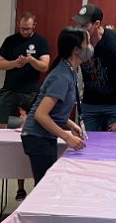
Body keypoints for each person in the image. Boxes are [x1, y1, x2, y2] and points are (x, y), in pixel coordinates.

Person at [20, 27, 88, 185]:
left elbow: (53, 111)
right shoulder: (61, 77)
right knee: (45, 186)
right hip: (37, 137)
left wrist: (69, 124)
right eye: (87, 43)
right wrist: (67, 137)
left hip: (44, 136)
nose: (89, 47)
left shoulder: (70, 70)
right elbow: (41, 114)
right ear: (76, 50)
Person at [0, 13, 51, 200]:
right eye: (22, 28)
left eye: (28, 28)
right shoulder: (10, 41)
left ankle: (24, 185)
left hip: (31, 92)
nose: (25, 31)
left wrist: (30, 60)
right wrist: (16, 63)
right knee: (1, 128)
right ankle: (2, 169)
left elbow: (44, 66)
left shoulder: (41, 42)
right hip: (10, 90)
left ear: (34, 25)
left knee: (28, 131)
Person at [72, 4, 116, 133]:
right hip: (90, 103)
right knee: (86, 141)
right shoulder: (77, 41)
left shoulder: (112, 43)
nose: (80, 29)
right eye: (78, 25)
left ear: (97, 24)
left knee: (113, 143)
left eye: (84, 26)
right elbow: (68, 69)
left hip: (114, 104)